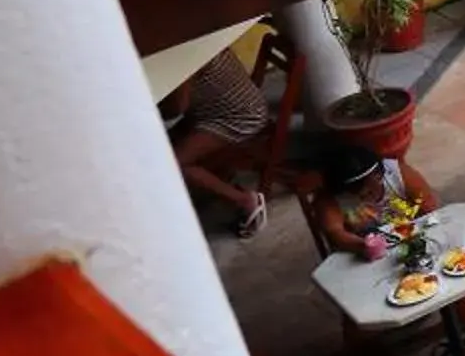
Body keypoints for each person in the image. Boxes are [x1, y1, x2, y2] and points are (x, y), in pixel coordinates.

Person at [160, 47, 272, 237]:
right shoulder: (194, 37)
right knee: (163, 146)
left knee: (173, 163)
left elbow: (176, 108)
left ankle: (244, 201)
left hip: (239, 117)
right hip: (223, 109)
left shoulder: (185, 54)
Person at [297, 141, 431, 260]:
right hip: (363, 252)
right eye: (356, 193)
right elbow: (335, 233)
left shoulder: (399, 175)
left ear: (379, 175)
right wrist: (366, 246)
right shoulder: (329, 200)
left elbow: (429, 209)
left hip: (409, 239)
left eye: (370, 191)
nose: (366, 196)